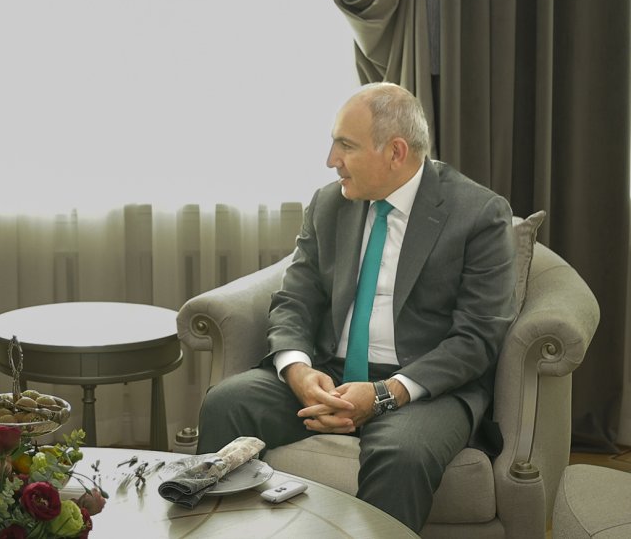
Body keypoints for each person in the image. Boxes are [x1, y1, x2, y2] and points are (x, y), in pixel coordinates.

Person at [196, 82, 517, 531]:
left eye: (346, 146)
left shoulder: (479, 214)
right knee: (226, 403)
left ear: (396, 152)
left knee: (402, 455)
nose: (331, 160)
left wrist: (386, 393)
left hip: (425, 388)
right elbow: (295, 299)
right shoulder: (329, 203)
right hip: (329, 371)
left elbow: (478, 337)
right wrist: (297, 370)